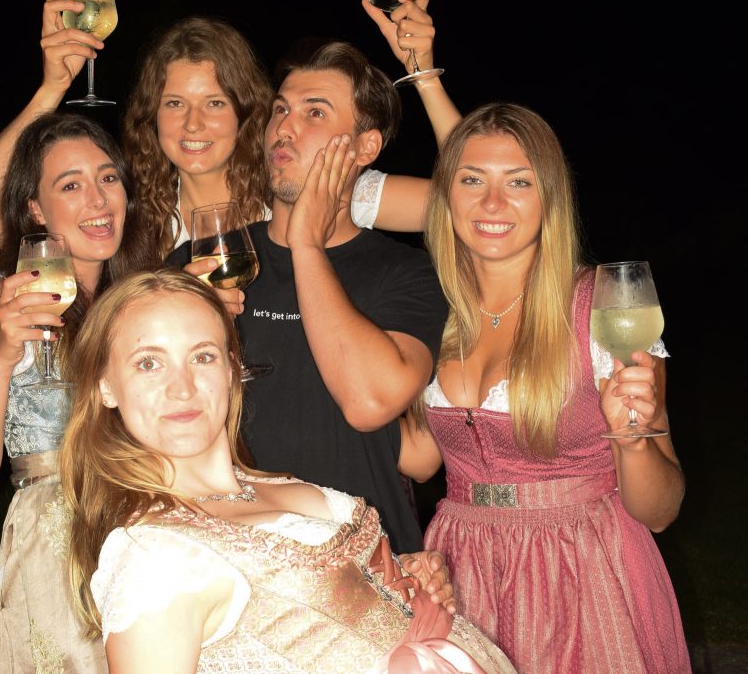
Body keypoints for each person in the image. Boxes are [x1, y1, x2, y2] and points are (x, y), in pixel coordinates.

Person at [59, 268, 517, 674]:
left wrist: (409, 583)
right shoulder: (155, 556)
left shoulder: (273, 485)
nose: (182, 387)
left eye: (202, 356)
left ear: (232, 368)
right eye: (148, 363)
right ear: (105, 387)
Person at [395, 102, 691, 673]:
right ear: (446, 197)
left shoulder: (602, 307)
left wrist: (632, 440)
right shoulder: (429, 309)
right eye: (472, 180)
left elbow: (660, 510)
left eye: (519, 182)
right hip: (460, 576)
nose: (492, 203)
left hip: (584, 575)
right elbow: (420, 460)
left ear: (550, 197)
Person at [174, 38, 450, 554]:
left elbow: (371, 402)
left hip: (370, 562)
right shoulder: (204, 266)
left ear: (365, 148)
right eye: (280, 109)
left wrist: (305, 243)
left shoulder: (406, 274)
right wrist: (176, 320)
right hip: (230, 559)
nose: (285, 127)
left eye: (314, 112)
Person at [0, 0, 459, 260]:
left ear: (246, 111)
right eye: (174, 103)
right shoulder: (132, 213)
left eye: (214, 103)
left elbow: (469, 203)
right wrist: (51, 89)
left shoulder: (300, 189)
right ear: (152, 116)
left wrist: (425, 77)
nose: (193, 124)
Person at [0, 112, 153, 673]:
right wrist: (1, 357)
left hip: (152, 542)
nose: (98, 200)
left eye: (108, 178)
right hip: (59, 559)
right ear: (35, 209)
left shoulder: (145, 302)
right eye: (70, 186)